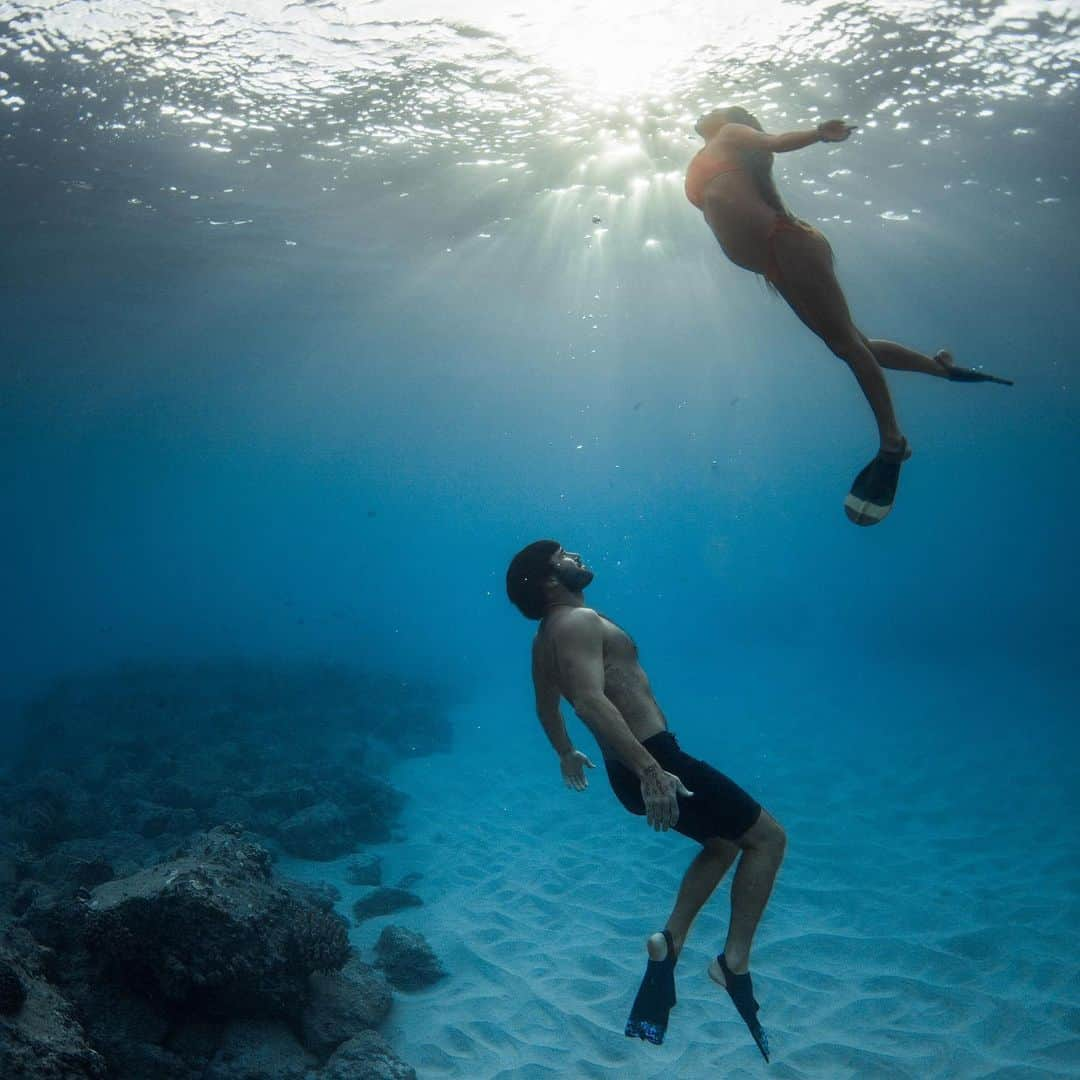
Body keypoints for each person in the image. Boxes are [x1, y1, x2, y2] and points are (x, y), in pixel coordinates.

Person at [506, 539, 785, 1061]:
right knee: (768, 839)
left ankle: (670, 943)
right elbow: (589, 699)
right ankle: (735, 963)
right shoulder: (578, 623)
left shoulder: (545, 638)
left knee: (723, 843)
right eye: (564, 554)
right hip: (651, 758)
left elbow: (548, 705)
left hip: (623, 768)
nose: (576, 556)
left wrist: (566, 753)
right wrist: (652, 769)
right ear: (548, 580)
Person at [686, 105, 1013, 525]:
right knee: (853, 342)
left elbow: (775, 142)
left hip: (785, 242)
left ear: (733, 116)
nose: (706, 110)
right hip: (775, 259)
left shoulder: (730, 132)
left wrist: (818, 133)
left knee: (846, 345)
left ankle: (892, 440)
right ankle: (941, 369)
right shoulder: (713, 154)